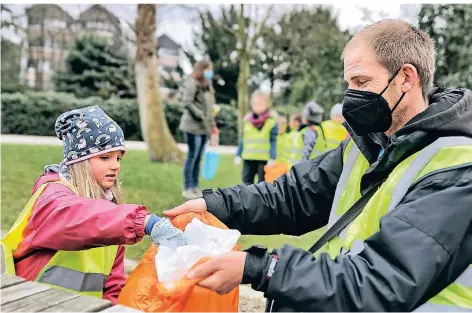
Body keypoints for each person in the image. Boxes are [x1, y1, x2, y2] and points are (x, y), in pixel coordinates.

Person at [165, 19, 472, 311]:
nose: (352, 94)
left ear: (407, 78)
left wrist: (261, 268)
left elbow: (382, 282)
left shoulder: (457, 166)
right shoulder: (370, 142)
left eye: (362, 81)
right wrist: (214, 206)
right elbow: (295, 196)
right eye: (349, 82)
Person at [1, 106, 187, 304]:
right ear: (79, 161)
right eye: (105, 157)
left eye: (118, 158)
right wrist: (145, 222)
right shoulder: (53, 196)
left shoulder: (110, 213)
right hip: (27, 302)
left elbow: (112, 283)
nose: (115, 165)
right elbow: (76, 217)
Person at [179, 59, 215, 199]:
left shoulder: (207, 84)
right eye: (208, 69)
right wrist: (199, 114)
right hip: (192, 126)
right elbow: (187, 102)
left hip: (204, 127)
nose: (210, 72)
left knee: (198, 158)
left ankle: (195, 187)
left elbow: (210, 105)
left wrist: (212, 121)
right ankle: (187, 187)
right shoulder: (192, 83)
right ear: (202, 69)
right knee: (192, 157)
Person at [235, 90, 278, 185]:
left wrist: (272, 157)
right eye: (255, 104)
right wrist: (238, 154)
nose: (257, 106)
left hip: (263, 159)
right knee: (246, 182)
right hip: (248, 158)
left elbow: (273, 141)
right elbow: (243, 139)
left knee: (262, 184)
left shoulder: (272, 121)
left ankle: (259, 200)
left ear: (267, 104)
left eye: (260, 104)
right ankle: (246, 199)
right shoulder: (247, 120)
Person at [286, 101, 326, 166]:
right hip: (308, 168)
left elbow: (306, 153)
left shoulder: (311, 130)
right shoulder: (315, 129)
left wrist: (299, 171)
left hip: (304, 170)